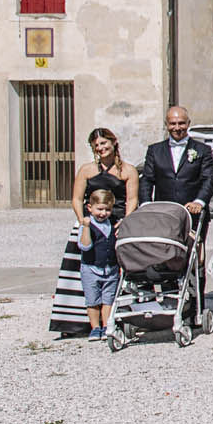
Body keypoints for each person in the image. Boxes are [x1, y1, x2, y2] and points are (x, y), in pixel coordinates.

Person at [51, 127, 142, 338]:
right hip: (90, 225)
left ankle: (120, 318)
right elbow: (76, 198)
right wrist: (82, 220)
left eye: (104, 143)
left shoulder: (128, 171)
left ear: (113, 142)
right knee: (84, 271)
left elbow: (132, 199)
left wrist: (126, 222)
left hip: (117, 224)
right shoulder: (86, 170)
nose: (101, 148)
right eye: (96, 145)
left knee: (118, 272)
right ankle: (82, 323)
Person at [75, 186, 121, 341]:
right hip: (91, 267)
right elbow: (85, 246)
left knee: (108, 299)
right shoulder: (86, 225)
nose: (103, 213)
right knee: (93, 299)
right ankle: (95, 327)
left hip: (110, 268)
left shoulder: (113, 223)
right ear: (90, 207)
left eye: (107, 210)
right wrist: (86, 226)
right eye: (99, 209)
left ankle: (107, 326)